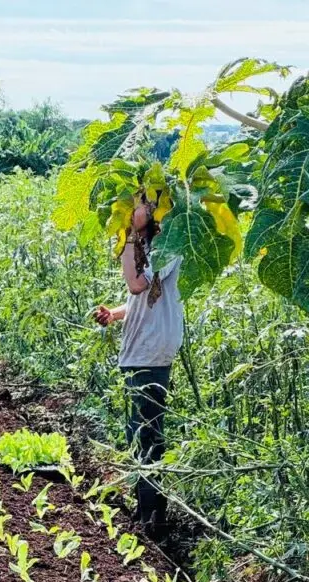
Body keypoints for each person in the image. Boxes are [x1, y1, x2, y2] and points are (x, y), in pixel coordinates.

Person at [95, 198, 183, 536]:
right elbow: (139, 299)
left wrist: (129, 234)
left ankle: (152, 521)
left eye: (139, 205)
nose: (132, 210)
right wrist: (114, 315)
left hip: (151, 353)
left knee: (146, 435)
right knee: (138, 434)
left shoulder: (168, 244)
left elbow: (136, 284)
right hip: (139, 351)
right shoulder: (148, 246)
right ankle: (146, 512)